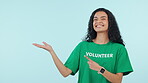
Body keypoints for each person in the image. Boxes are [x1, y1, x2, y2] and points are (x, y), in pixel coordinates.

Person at [33, 8, 133, 83]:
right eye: (95, 19)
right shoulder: (83, 46)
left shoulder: (119, 49)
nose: (98, 22)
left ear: (110, 23)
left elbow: (118, 80)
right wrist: (52, 52)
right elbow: (65, 72)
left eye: (103, 19)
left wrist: (100, 69)